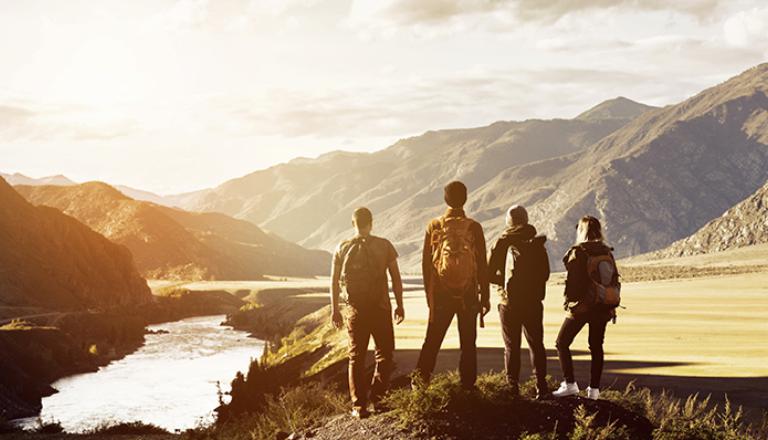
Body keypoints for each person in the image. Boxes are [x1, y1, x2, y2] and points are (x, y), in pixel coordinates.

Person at [330, 207, 405, 418]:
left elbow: (334, 282)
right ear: (371, 223)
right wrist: (399, 305)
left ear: (352, 224)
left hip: (354, 311)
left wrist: (336, 310)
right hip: (380, 308)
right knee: (385, 354)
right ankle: (379, 399)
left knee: (356, 357)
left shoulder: (342, 247)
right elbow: (396, 279)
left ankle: (358, 406)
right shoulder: (384, 246)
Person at [414, 181, 490, 390]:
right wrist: (485, 297)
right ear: (465, 198)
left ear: (445, 199)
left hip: (440, 295)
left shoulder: (434, 226)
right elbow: (483, 264)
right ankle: (467, 388)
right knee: (468, 343)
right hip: (469, 294)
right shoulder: (474, 227)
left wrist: (430, 297)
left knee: (432, 341)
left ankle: (419, 385)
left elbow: (426, 264)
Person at [553, 216, 620, 400]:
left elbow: (573, 283)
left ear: (581, 231)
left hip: (583, 307)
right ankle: (594, 391)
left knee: (562, 343)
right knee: (596, 346)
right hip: (603, 306)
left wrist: (570, 302)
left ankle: (570, 384)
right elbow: (614, 279)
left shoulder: (579, 252)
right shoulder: (607, 252)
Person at [487, 205, 550, 399]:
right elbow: (545, 274)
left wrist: (503, 286)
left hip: (509, 303)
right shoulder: (536, 242)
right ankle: (541, 386)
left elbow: (489, 272)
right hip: (533, 302)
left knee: (511, 346)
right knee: (536, 345)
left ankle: (512, 387)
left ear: (509, 221)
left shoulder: (502, 242)